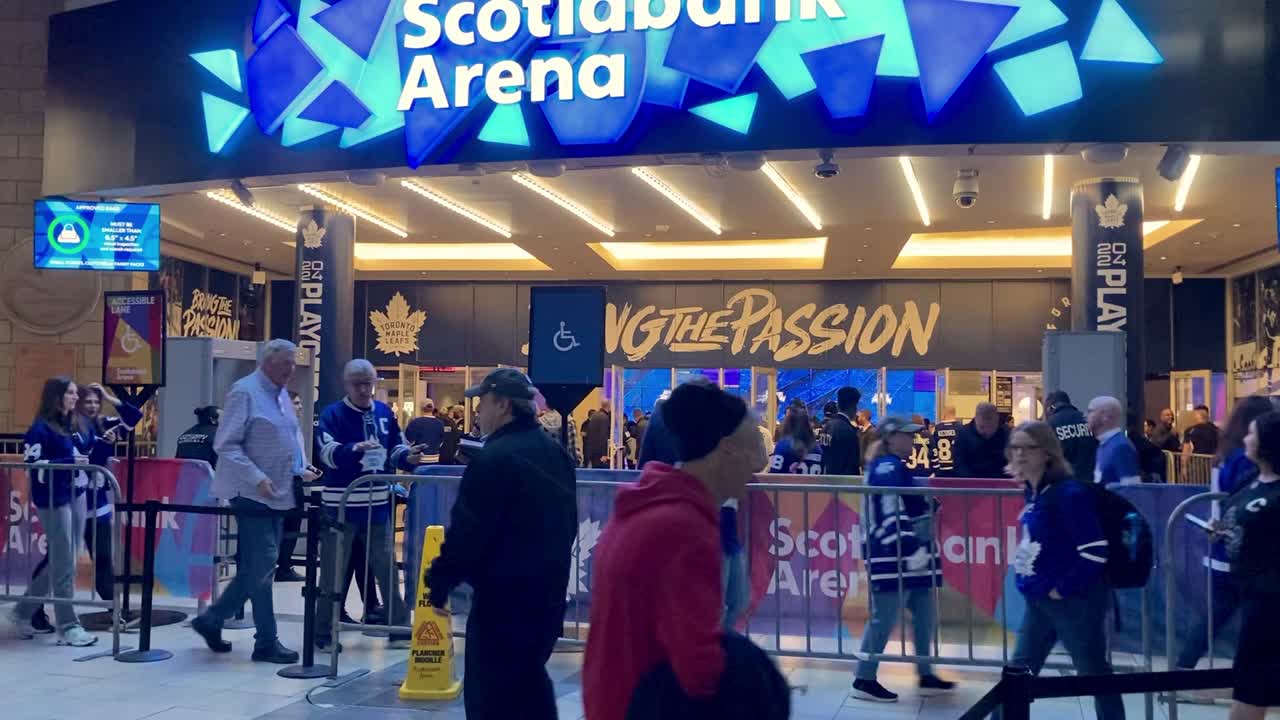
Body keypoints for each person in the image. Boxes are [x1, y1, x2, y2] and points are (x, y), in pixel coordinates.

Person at [583, 381, 772, 720]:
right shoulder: (683, 529)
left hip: (616, 698)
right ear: (726, 450)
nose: (756, 468)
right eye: (750, 448)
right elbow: (698, 666)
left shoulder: (652, 503)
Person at [425, 368, 577, 720]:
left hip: (503, 605)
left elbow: (469, 532)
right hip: (548, 601)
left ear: (503, 404)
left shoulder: (493, 459)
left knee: (491, 699)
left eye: (483, 402)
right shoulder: (556, 455)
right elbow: (568, 525)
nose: (478, 411)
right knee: (529, 688)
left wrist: (440, 581)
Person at [192, 340, 317, 663]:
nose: (291, 369)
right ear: (267, 363)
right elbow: (226, 444)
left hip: (278, 492)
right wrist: (257, 477)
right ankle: (214, 618)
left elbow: (287, 438)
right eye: (285, 364)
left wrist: (300, 469)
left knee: (260, 568)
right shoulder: (244, 392)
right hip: (250, 492)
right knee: (263, 562)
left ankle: (264, 640)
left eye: (293, 364)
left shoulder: (281, 396)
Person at [1006, 421, 1124, 720]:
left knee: (1094, 673)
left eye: (1028, 447)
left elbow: (1095, 551)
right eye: (1015, 447)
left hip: (1075, 602)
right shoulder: (1035, 492)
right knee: (1018, 673)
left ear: (1046, 453)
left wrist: (1062, 588)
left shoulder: (1068, 494)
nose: (1020, 454)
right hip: (1041, 599)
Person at [314, 359, 425, 651]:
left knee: (387, 569)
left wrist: (407, 458)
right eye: (358, 384)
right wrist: (354, 450)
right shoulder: (332, 414)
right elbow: (325, 453)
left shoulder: (384, 412)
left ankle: (399, 629)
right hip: (341, 505)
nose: (365, 390)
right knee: (332, 572)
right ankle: (323, 631)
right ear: (346, 384)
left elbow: (395, 447)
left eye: (369, 383)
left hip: (377, 505)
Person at [852, 417, 953, 703]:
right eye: (907, 436)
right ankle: (864, 678)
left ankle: (926, 673)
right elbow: (887, 509)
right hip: (893, 555)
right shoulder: (887, 467)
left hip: (907, 555)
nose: (913, 440)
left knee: (923, 612)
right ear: (890, 438)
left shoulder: (893, 466)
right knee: (884, 616)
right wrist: (910, 547)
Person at [1174, 396, 1274, 676]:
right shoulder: (1253, 460)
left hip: (1221, 546)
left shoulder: (1224, 455)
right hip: (1248, 550)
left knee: (1216, 616)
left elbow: (1217, 502)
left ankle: (1183, 667)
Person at [31, 383, 142, 633]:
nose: (92, 406)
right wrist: (104, 445)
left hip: (98, 506)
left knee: (103, 558)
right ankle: (33, 609)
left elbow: (135, 417)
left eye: (95, 401)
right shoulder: (66, 428)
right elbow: (84, 460)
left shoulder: (105, 422)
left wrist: (108, 396)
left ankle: (115, 610)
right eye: (87, 401)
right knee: (57, 559)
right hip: (70, 503)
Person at [7, 378, 98, 647]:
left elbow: (93, 445)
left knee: (65, 558)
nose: (75, 397)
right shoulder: (40, 429)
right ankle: (68, 625)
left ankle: (23, 610)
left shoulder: (79, 424)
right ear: (56, 396)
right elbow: (32, 463)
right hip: (52, 498)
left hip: (77, 494)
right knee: (63, 561)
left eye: (74, 393)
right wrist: (69, 462)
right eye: (70, 393)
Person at [1215, 411, 1280, 719]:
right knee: (1250, 682)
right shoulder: (1250, 480)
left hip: (1272, 600)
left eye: (1252, 433)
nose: (1245, 438)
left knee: (1253, 687)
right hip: (1251, 596)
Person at [1087, 396, 1142, 486]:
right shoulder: (1104, 445)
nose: (1086, 416)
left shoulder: (1121, 447)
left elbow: (1132, 490)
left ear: (1105, 416)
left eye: (1091, 411)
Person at [1045, 391, 1098, 482]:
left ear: (1051, 407)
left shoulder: (1051, 424)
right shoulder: (1087, 419)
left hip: (1066, 482)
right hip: (1091, 480)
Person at [953, 402, 1010, 479]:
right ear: (975, 419)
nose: (987, 431)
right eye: (982, 427)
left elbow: (1014, 463)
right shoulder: (963, 434)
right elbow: (958, 464)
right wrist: (973, 483)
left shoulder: (1007, 434)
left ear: (998, 420)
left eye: (991, 426)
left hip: (1002, 484)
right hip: (971, 484)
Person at [821, 386, 863, 477]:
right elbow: (852, 465)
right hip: (843, 484)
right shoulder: (849, 431)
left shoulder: (827, 427)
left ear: (838, 405)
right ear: (853, 407)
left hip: (826, 480)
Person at [770, 406, 823, 475]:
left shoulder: (783, 445)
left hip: (788, 484)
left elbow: (774, 474)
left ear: (788, 424)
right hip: (813, 485)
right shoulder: (817, 448)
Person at [404, 399, 446, 464]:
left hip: (418, 458)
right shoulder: (440, 423)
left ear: (421, 408)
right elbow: (441, 441)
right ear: (433, 409)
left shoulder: (415, 422)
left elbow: (408, 440)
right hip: (435, 458)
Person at [929, 406, 961, 477]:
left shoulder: (937, 428)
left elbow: (933, 448)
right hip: (955, 466)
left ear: (944, 413)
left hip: (941, 466)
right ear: (954, 413)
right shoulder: (960, 427)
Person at [584, 399, 612, 468]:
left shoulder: (594, 416)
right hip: (600, 454)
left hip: (592, 451)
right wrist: (605, 453)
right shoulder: (604, 417)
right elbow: (603, 436)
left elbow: (588, 434)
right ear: (609, 406)